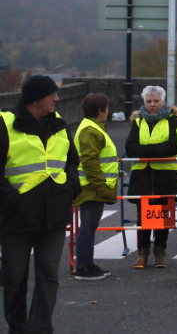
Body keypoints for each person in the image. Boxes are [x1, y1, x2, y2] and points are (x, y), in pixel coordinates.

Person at [0, 75, 80, 333]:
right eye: (51, 94)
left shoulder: (59, 124)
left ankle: (40, 328)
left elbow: (71, 161)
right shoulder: (6, 125)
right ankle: (18, 328)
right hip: (17, 216)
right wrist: (13, 201)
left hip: (54, 215)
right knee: (14, 280)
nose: (57, 98)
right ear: (35, 99)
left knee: (49, 276)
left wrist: (70, 188)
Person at [125, 85, 177, 269]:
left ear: (163, 102)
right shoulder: (138, 121)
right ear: (144, 102)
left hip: (165, 176)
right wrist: (156, 151)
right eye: (149, 101)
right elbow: (130, 147)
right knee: (143, 215)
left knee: (163, 215)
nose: (152, 105)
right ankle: (142, 252)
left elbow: (173, 146)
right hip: (143, 176)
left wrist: (146, 151)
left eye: (156, 101)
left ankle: (160, 251)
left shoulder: (172, 120)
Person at [73, 93, 118, 280]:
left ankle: (86, 265)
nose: (108, 112)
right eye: (106, 108)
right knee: (88, 227)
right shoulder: (91, 130)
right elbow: (89, 160)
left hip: (91, 185)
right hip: (91, 188)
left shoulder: (89, 128)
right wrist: (99, 185)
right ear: (100, 110)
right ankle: (84, 267)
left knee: (89, 227)